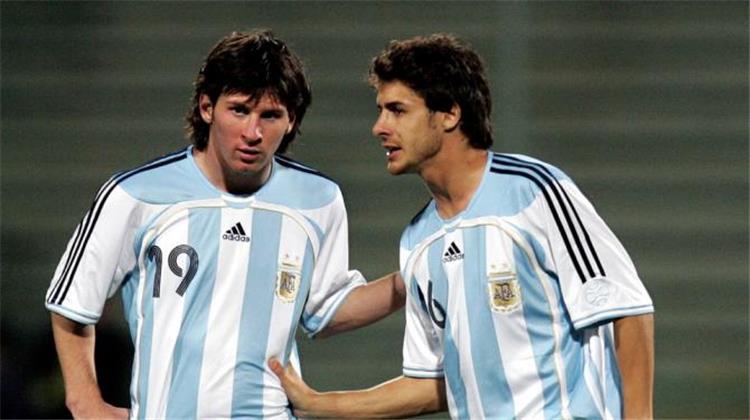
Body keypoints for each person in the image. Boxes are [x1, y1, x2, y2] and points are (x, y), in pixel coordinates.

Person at [269, 33, 655, 419]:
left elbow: (627, 309)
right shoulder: (418, 240)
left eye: (398, 110)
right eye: (381, 110)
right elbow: (433, 383)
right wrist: (321, 403)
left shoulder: (535, 192)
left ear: (450, 114)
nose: (379, 127)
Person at [45, 29, 404, 419]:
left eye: (270, 115)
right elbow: (72, 303)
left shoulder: (318, 199)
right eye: (239, 110)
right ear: (206, 107)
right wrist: (84, 402)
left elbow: (326, 310)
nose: (253, 133)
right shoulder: (134, 194)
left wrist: (411, 280)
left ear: (291, 121)